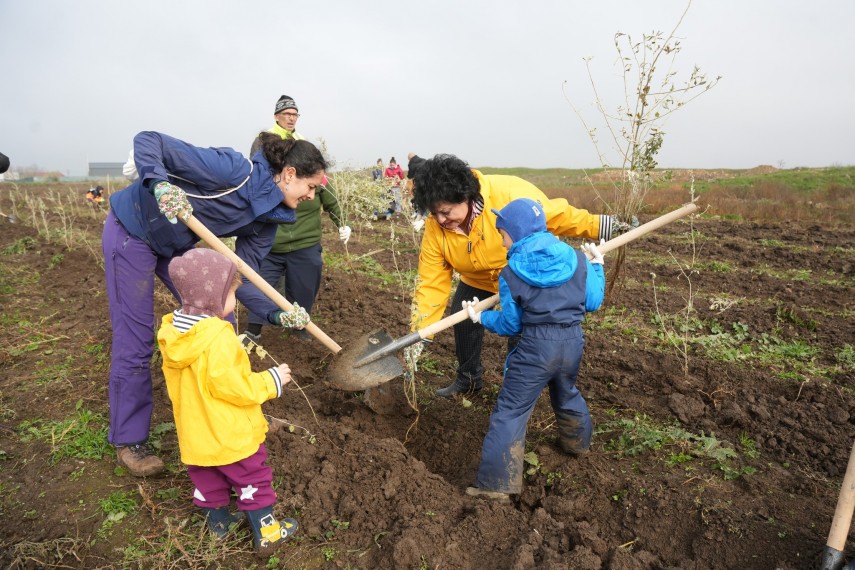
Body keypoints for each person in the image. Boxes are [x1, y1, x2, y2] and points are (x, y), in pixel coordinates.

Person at [104, 130, 326, 477]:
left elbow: (236, 282)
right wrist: (159, 185)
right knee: (136, 338)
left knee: (223, 320)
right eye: (310, 187)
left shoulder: (267, 222)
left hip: (175, 243)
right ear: (289, 174)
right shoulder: (234, 172)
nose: (312, 196)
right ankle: (129, 439)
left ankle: (238, 407)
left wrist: (277, 315)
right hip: (133, 229)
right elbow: (150, 140)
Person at [404, 153, 631, 397]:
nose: (440, 220)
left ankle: (517, 389)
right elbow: (431, 280)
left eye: (446, 212)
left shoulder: (510, 194)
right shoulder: (436, 225)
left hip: (523, 275)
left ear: (466, 197)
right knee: (463, 319)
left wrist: (602, 226)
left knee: (522, 327)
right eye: (434, 213)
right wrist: (421, 330)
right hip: (477, 278)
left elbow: (558, 215)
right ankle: (468, 379)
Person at [459, 198, 605, 502]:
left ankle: (495, 485)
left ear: (517, 233)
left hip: (536, 348)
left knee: (511, 411)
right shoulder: (577, 260)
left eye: (503, 233)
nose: (500, 238)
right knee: (566, 392)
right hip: (572, 342)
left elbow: (512, 324)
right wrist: (597, 267)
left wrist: (480, 316)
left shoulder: (511, 273)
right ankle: (578, 443)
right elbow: (592, 303)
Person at [157, 247, 299, 553]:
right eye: (232, 294)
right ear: (214, 297)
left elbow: (195, 378)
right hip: (229, 435)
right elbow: (234, 387)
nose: (235, 302)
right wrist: (271, 380)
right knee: (252, 479)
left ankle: (219, 528)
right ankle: (268, 533)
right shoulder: (217, 337)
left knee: (208, 481)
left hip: (196, 437)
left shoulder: (174, 335)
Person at [244, 95, 351, 344]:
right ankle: (253, 329)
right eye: (287, 114)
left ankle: (300, 328)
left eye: (295, 114)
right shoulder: (263, 143)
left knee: (304, 285)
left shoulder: (305, 148)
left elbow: (326, 190)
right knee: (260, 284)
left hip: (305, 240)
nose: (291, 118)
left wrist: (341, 221)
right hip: (271, 241)